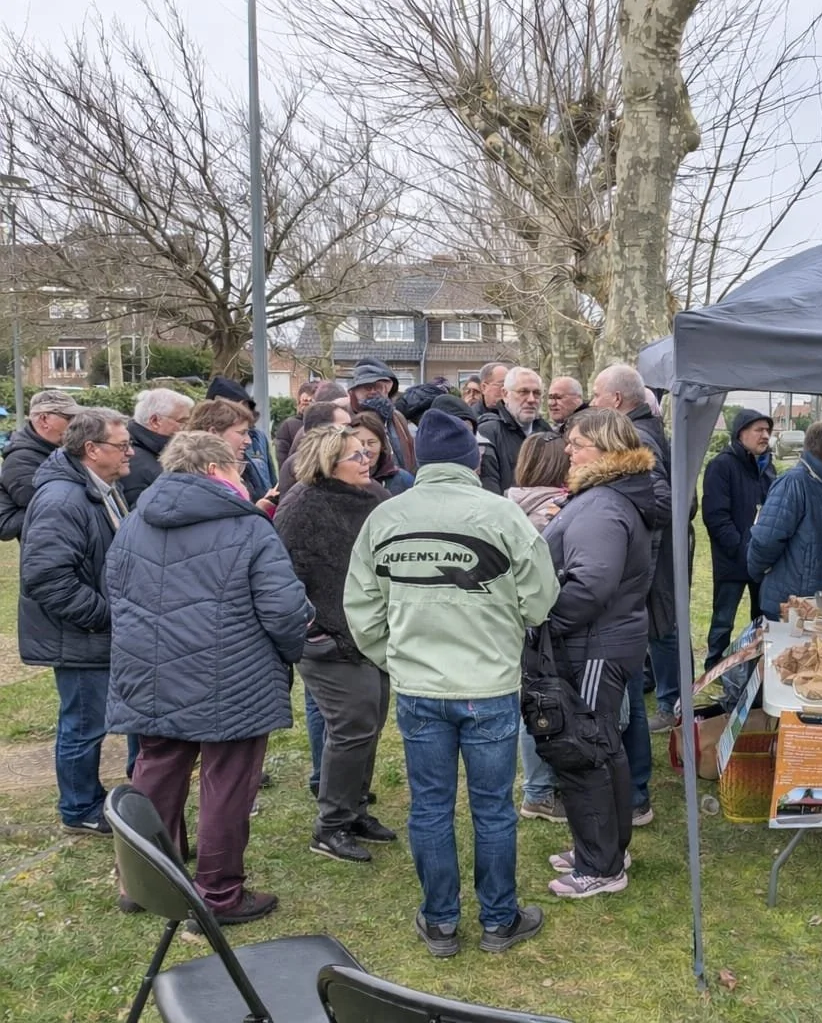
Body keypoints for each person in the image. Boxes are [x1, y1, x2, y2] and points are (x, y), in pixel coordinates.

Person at [345, 409, 558, 956]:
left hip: (420, 687)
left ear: (423, 462)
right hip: (487, 686)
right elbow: (541, 599)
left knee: (430, 806)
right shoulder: (503, 516)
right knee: (492, 807)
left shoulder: (386, 518)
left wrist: (396, 659)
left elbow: (362, 609)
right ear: (473, 460)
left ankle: (441, 923)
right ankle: (498, 920)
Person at [105, 430, 311, 926]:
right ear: (218, 471)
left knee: (156, 769)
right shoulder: (249, 527)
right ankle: (218, 895)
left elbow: (115, 591)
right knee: (227, 783)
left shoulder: (134, 523)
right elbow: (284, 610)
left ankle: (142, 881)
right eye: (238, 467)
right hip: (232, 674)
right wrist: (291, 653)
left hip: (151, 669)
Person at [540, 408, 661, 896]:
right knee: (604, 747)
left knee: (586, 749)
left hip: (594, 645)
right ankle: (605, 847)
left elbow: (591, 584)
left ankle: (600, 868)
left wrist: (548, 625)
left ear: (607, 450)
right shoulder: (603, 498)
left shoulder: (604, 506)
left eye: (577, 443)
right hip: (603, 640)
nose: (568, 450)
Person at [275, 425, 395, 865]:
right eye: (355, 456)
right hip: (329, 639)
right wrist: (315, 630)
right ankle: (330, 827)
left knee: (371, 722)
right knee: (351, 728)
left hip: (372, 634)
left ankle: (355, 809)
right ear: (328, 463)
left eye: (367, 453)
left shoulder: (377, 499)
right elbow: (282, 579)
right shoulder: (301, 506)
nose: (366, 460)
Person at [19, 407, 132, 836]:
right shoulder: (62, 499)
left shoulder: (98, 487)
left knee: (90, 722)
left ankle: (89, 798)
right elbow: (47, 577)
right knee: (83, 725)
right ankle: (79, 807)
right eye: (122, 446)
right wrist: (105, 617)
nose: (131, 454)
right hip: (80, 636)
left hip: (94, 631)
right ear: (91, 449)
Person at [591, 367, 676, 790]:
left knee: (630, 671)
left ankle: (635, 784)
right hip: (640, 571)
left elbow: (661, 503)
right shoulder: (644, 429)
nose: (592, 402)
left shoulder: (638, 438)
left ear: (618, 401)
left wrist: (625, 535)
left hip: (637, 574)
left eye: (596, 395)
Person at [505, 432, 572, 825]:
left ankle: (540, 787)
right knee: (540, 703)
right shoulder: (553, 509)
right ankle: (539, 792)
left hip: (518, 618)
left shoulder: (511, 502)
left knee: (533, 698)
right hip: (545, 618)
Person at [749, 420, 822, 618]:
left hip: (815, 605)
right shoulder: (793, 483)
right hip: (792, 606)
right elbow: (765, 540)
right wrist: (760, 574)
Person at [702, 408, 776, 667]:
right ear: (741, 433)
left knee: (761, 618)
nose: (765, 436)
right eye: (759, 430)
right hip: (732, 559)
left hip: (762, 561)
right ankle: (713, 667)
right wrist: (740, 548)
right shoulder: (722, 465)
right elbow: (715, 516)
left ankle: (756, 666)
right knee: (723, 619)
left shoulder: (768, 468)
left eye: (768, 430)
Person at [0, 390, 83, 541]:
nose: (76, 424)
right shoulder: (21, 460)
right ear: (44, 420)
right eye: (70, 418)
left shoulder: (58, 450)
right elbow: (52, 507)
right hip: (51, 546)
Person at [188, 397, 275, 514]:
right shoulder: (195, 479)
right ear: (213, 432)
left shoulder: (244, 469)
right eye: (242, 433)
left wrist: (259, 508)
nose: (249, 441)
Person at [478, 366, 552, 492]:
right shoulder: (488, 433)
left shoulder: (547, 432)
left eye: (537, 393)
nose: (531, 400)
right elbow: (488, 487)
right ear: (505, 394)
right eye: (523, 392)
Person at [122, 388, 194, 510]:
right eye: (182, 422)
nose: (186, 429)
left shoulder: (154, 451)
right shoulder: (134, 461)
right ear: (155, 421)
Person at [206, 377, 277, 499]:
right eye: (241, 432)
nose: (247, 441)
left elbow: (271, 480)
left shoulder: (258, 437)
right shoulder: (198, 460)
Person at [347, 358, 417, 472]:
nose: (373, 391)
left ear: (388, 389)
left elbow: (410, 455)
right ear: (354, 390)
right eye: (368, 387)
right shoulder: (346, 419)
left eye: (379, 386)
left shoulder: (397, 418)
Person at [276, 401, 355, 499]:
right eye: (345, 426)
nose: (352, 432)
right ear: (320, 430)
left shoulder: (350, 459)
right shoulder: (297, 465)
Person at [352, 410, 415, 497]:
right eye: (360, 443)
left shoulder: (402, 480)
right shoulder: (344, 482)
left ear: (382, 445)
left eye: (371, 442)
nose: (366, 449)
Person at [275, 380, 320, 464]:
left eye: (313, 402)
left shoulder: (328, 423)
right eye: (305, 402)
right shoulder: (288, 425)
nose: (309, 406)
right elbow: (283, 462)